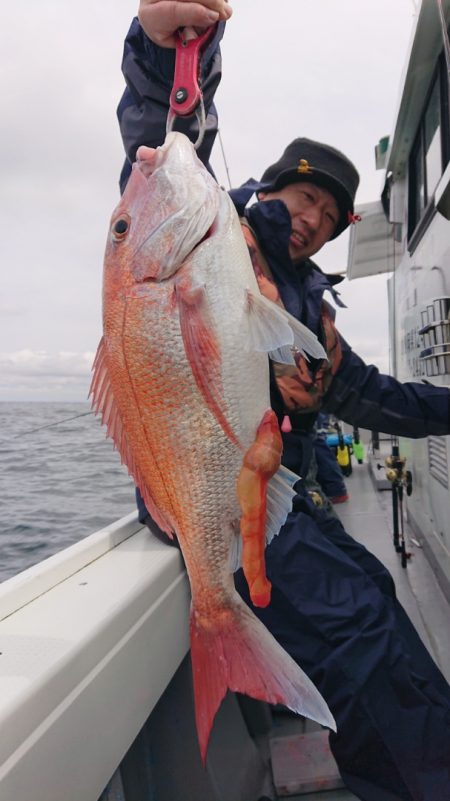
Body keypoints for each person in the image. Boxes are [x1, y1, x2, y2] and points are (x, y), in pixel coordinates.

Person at [117, 3, 450, 799]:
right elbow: (159, 142)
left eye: (329, 220)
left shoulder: (305, 308)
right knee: (363, 637)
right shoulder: (212, 235)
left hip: (275, 500)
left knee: (374, 593)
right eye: (306, 201)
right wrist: (166, 51)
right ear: (272, 184)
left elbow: (372, 395)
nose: (310, 223)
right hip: (215, 498)